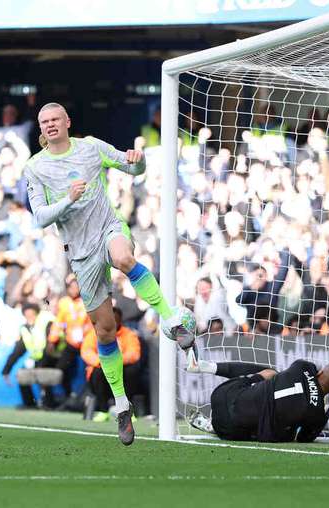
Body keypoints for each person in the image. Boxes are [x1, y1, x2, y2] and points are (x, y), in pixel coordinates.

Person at [24, 102, 194, 445]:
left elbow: (135, 170)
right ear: (41, 129)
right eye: (45, 122)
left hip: (107, 227)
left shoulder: (91, 148)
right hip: (80, 251)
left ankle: (171, 317)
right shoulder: (35, 168)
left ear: (68, 121)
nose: (51, 125)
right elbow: (40, 217)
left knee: (125, 258)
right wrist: (69, 200)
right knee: (104, 331)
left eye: (56, 119)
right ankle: (121, 404)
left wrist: (138, 159)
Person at [186, 351, 329, 443]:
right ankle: (214, 426)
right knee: (288, 431)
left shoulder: (302, 366)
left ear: (320, 372)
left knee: (272, 373)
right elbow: (304, 438)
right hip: (230, 431)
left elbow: (300, 379)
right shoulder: (317, 413)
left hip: (221, 395)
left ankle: (211, 367)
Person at [81, 308, 141, 422]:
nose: (112, 322)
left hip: (122, 370)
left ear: (120, 320)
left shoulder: (128, 334)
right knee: (97, 372)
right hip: (102, 368)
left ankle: (128, 411)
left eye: (115, 320)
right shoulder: (94, 333)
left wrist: (115, 361)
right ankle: (103, 411)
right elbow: (86, 351)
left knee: (132, 371)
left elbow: (134, 353)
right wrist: (101, 361)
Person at [1, 303, 58, 408]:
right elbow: (17, 351)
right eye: (27, 315)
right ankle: (29, 404)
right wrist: (6, 370)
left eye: (32, 314)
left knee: (43, 373)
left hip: (53, 357)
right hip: (38, 359)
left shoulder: (46, 323)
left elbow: (52, 343)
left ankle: (49, 403)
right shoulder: (25, 329)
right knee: (23, 374)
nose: (30, 317)